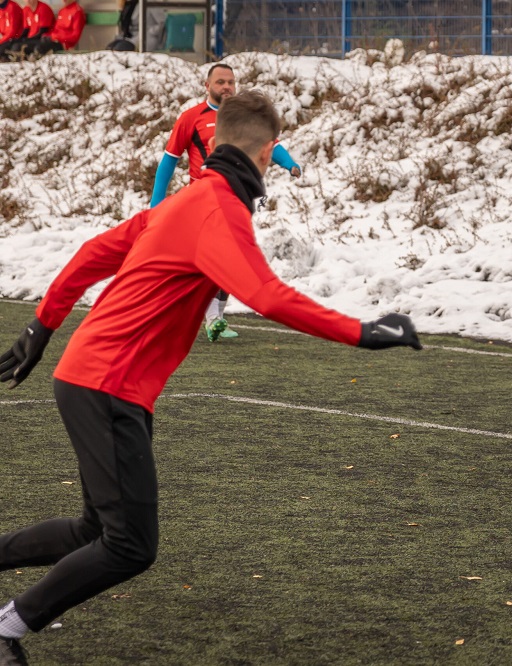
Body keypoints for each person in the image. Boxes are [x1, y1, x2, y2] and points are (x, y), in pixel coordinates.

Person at [0, 89, 421, 665]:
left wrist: (43, 325)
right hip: (107, 385)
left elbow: (95, 251)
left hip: (94, 377)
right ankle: (9, 625)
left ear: (215, 140)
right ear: (269, 153)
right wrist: (363, 332)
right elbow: (266, 295)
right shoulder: (219, 209)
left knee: (94, 531)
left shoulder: (188, 200)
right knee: (129, 545)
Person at [150, 63, 304, 342]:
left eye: (231, 82)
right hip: (203, 201)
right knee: (215, 256)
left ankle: (213, 317)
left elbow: (272, 144)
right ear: (207, 86)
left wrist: (290, 164)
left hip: (237, 201)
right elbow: (169, 161)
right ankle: (211, 318)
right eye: (220, 82)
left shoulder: (245, 117)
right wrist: (156, 204)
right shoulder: (191, 118)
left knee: (233, 259)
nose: (226, 87)